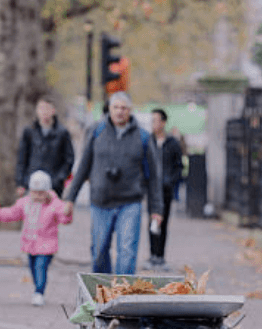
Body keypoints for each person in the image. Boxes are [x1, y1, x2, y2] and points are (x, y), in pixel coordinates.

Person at [63, 92, 163, 274]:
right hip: (100, 202)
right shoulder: (96, 132)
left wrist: (157, 209)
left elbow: (154, 177)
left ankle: (122, 296)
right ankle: (103, 292)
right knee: (99, 251)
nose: (119, 112)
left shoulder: (144, 137)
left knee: (127, 252)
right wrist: (70, 198)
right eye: (115, 107)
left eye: (124, 108)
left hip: (130, 203)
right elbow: (83, 167)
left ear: (130, 111)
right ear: (109, 109)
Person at [0, 170, 72, 306]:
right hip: (30, 244)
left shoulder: (54, 204)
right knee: (33, 269)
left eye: (41, 193)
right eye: (35, 192)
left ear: (47, 191)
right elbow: (12, 213)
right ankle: (37, 289)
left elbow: (64, 217)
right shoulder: (25, 203)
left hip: (47, 245)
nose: (38, 196)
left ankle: (39, 292)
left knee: (40, 267)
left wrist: (67, 213)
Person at [143, 108, 184, 269]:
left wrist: (170, 180)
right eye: (151, 120)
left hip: (166, 189)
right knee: (152, 220)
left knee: (163, 221)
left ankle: (161, 256)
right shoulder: (148, 141)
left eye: (156, 120)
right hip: (152, 188)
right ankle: (152, 255)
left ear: (163, 122)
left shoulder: (173, 143)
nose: (154, 124)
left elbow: (179, 166)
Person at [15, 96, 75, 198]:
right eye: (41, 108)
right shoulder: (29, 131)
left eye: (47, 109)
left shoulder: (63, 133)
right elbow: (22, 158)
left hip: (54, 187)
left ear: (53, 111)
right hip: (32, 185)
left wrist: (59, 179)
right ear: (37, 111)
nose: (44, 112)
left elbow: (69, 159)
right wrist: (21, 182)